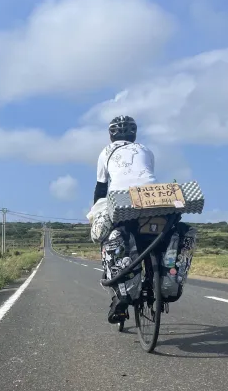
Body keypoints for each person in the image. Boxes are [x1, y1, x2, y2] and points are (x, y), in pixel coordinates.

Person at [94, 115, 158, 323]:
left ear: (111, 134)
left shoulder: (106, 151)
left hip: (122, 203)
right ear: (134, 133)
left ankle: (119, 298)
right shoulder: (146, 150)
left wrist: (97, 209)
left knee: (110, 241)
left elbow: (101, 187)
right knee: (154, 239)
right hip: (153, 200)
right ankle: (153, 278)